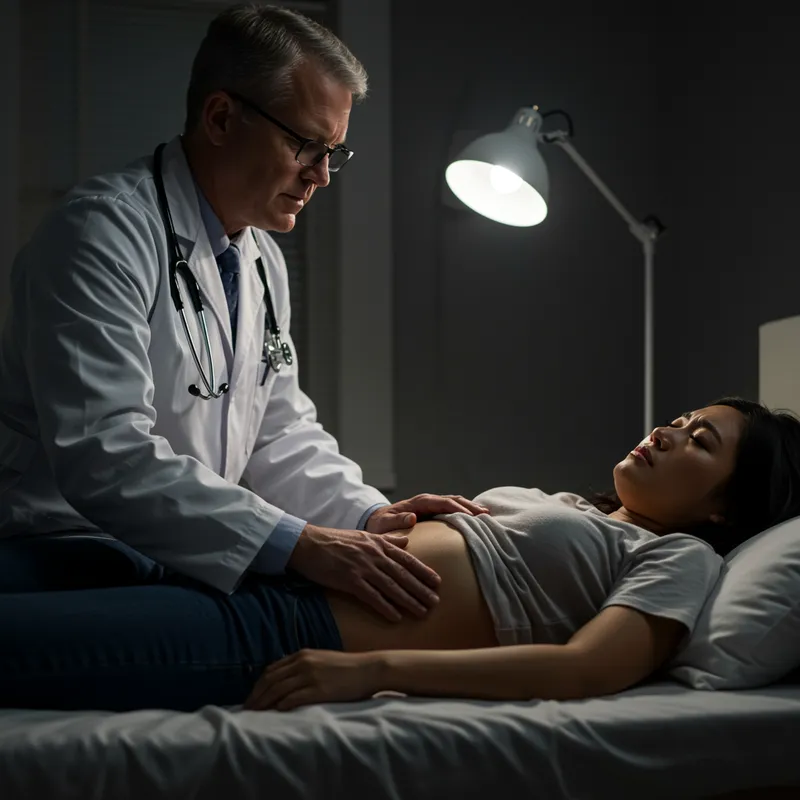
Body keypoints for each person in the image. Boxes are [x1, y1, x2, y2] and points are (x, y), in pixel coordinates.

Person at [0, 4, 493, 643]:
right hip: (63, 543)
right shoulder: (100, 233)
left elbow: (277, 433)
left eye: (333, 153)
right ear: (221, 117)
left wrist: (371, 515)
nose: (320, 176)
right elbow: (105, 453)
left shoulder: (258, 260)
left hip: (169, 552)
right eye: (304, 145)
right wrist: (298, 543)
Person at [2, 397, 799, 712]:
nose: (666, 430)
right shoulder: (575, 508)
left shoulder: (683, 559)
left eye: (700, 441)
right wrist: (390, 515)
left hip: (282, 623)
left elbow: (584, 670)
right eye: (682, 416)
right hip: (251, 555)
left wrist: (374, 670)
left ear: (725, 503)